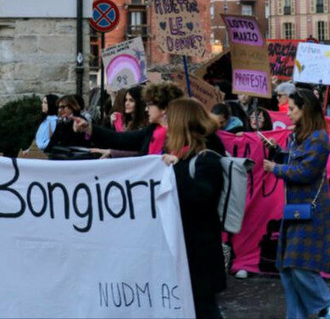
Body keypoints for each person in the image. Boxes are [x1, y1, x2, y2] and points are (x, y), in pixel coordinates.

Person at [261, 88, 330, 319]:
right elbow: (293, 161)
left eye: (292, 109)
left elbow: (305, 172)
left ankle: (327, 303)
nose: (288, 113)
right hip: (295, 210)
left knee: (299, 264)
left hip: (311, 211)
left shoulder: (319, 138)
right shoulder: (297, 136)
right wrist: (277, 151)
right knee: (287, 266)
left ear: (305, 109)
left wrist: (276, 168)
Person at [160, 99, 226, 318]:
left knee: (204, 309)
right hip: (185, 248)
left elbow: (203, 196)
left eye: (169, 119)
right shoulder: (182, 154)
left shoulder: (208, 156)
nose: (166, 124)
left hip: (201, 253)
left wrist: (176, 169)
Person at [76, 83, 186, 156]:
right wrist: (89, 128)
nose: (146, 109)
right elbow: (120, 139)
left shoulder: (183, 134)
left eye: (150, 104)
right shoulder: (151, 130)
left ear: (164, 108)